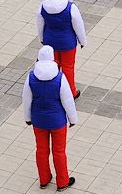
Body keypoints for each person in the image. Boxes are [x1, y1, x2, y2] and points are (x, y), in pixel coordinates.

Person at [22, 45, 79, 190]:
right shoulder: (59, 78)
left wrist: (28, 117)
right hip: (57, 121)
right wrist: (73, 119)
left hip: (38, 120)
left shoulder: (31, 77)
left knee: (41, 150)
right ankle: (62, 182)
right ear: (52, 58)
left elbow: (26, 99)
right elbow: (67, 100)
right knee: (59, 152)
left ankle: (44, 179)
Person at [36, 0, 87, 98]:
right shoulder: (70, 7)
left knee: (52, 67)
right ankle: (71, 93)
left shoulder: (43, 5)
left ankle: (52, 91)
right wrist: (82, 41)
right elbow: (79, 25)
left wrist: (42, 38)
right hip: (67, 43)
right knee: (68, 67)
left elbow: (39, 24)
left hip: (50, 42)